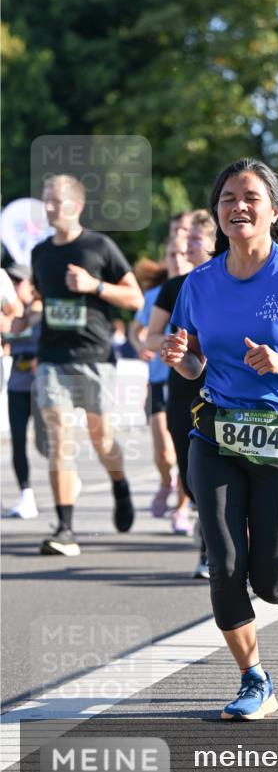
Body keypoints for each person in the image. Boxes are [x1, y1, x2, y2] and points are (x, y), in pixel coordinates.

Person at [162, 157, 278, 720]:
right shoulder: (199, 282)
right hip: (215, 433)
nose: (237, 206)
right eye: (227, 198)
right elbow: (195, 366)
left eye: (250, 197)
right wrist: (182, 359)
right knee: (223, 561)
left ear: (273, 210)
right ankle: (254, 680)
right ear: (217, 214)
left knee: (270, 579)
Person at [30, 174, 144, 556]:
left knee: (101, 438)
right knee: (59, 435)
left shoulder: (100, 246)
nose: (47, 207)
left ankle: (119, 483)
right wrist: (24, 314)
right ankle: (65, 528)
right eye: (45, 200)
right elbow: (37, 300)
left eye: (54, 201)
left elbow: (135, 299)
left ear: (75, 206)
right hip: (52, 358)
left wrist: (94, 286)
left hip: (95, 358)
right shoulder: (40, 252)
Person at [146, 212, 216, 575]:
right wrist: (171, 344)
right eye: (185, 240)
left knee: (219, 470)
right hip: (181, 388)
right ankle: (209, 541)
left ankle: (212, 546)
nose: (187, 246)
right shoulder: (176, 287)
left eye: (195, 240)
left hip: (223, 389)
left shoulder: (232, 282)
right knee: (191, 471)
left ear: (213, 242)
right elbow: (150, 334)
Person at [130, 243, 191, 517]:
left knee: (186, 448)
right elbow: (137, 330)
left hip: (186, 377)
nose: (177, 259)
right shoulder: (157, 293)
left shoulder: (199, 287)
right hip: (158, 378)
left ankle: (180, 507)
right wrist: (140, 344)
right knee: (163, 450)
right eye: (171, 254)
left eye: (181, 253)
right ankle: (167, 481)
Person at [2, 265, 42, 518]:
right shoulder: (18, 316)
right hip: (17, 384)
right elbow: (11, 332)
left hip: (42, 386)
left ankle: (70, 481)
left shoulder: (45, 311)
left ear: (31, 284)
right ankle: (26, 494)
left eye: (19, 281)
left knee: (48, 444)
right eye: (12, 281)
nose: (15, 286)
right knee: (18, 441)